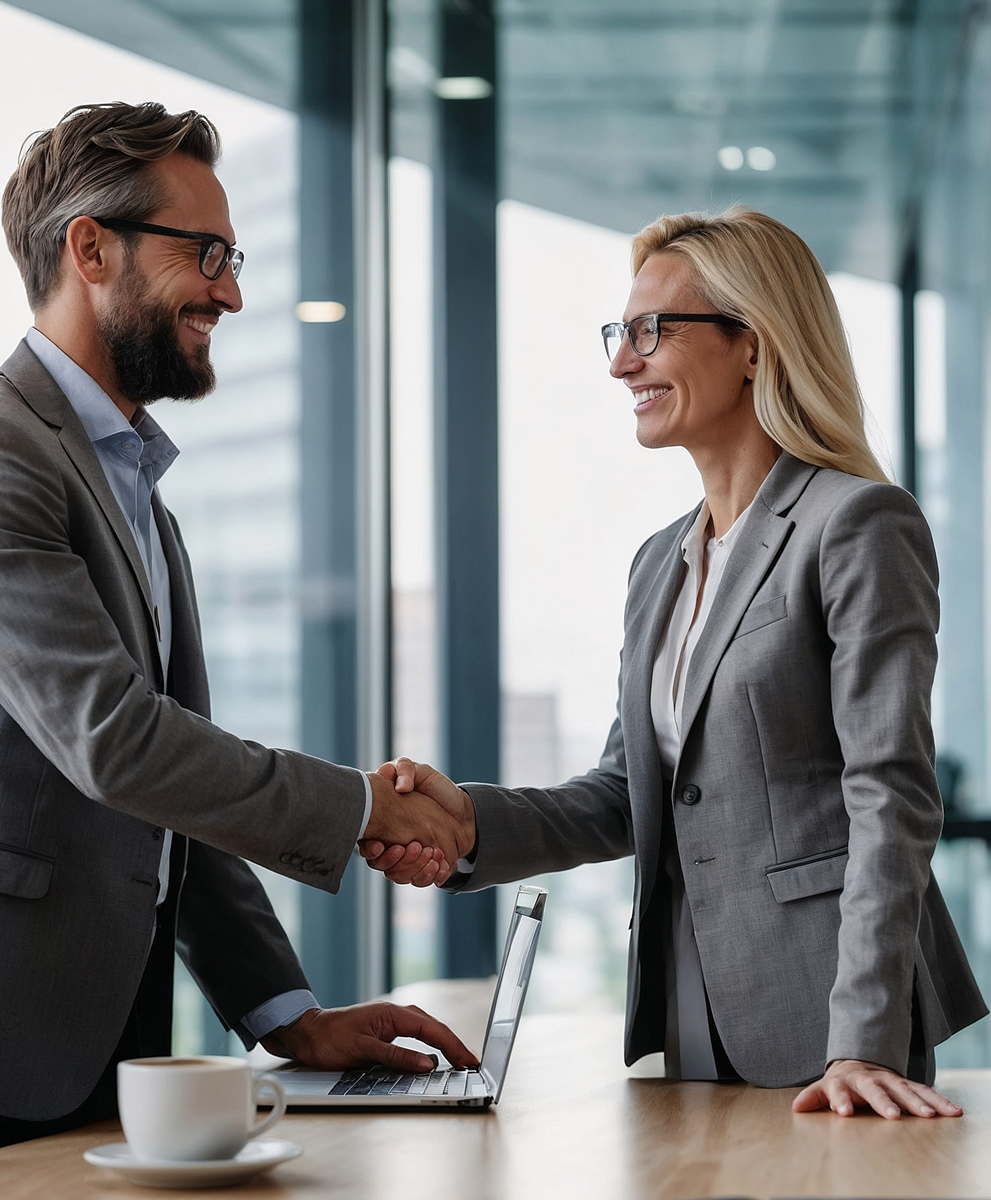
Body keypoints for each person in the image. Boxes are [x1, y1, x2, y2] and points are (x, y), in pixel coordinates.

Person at [0, 102, 473, 1198]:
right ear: (90, 248)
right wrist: (358, 808)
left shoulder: (136, 497)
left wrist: (289, 1015)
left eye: (233, 257)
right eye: (205, 254)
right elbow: (114, 742)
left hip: (87, 1043)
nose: (232, 291)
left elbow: (169, 788)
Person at [362, 207, 987, 1120]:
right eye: (621, 333)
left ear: (753, 344)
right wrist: (467, 823)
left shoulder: (856, 523)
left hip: (839, 1023)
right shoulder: (661, 561)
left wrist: (861, 1039)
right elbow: (627, 793)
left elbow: (889, 796)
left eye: (652, 331)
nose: (622, 362)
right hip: (692, 1005)